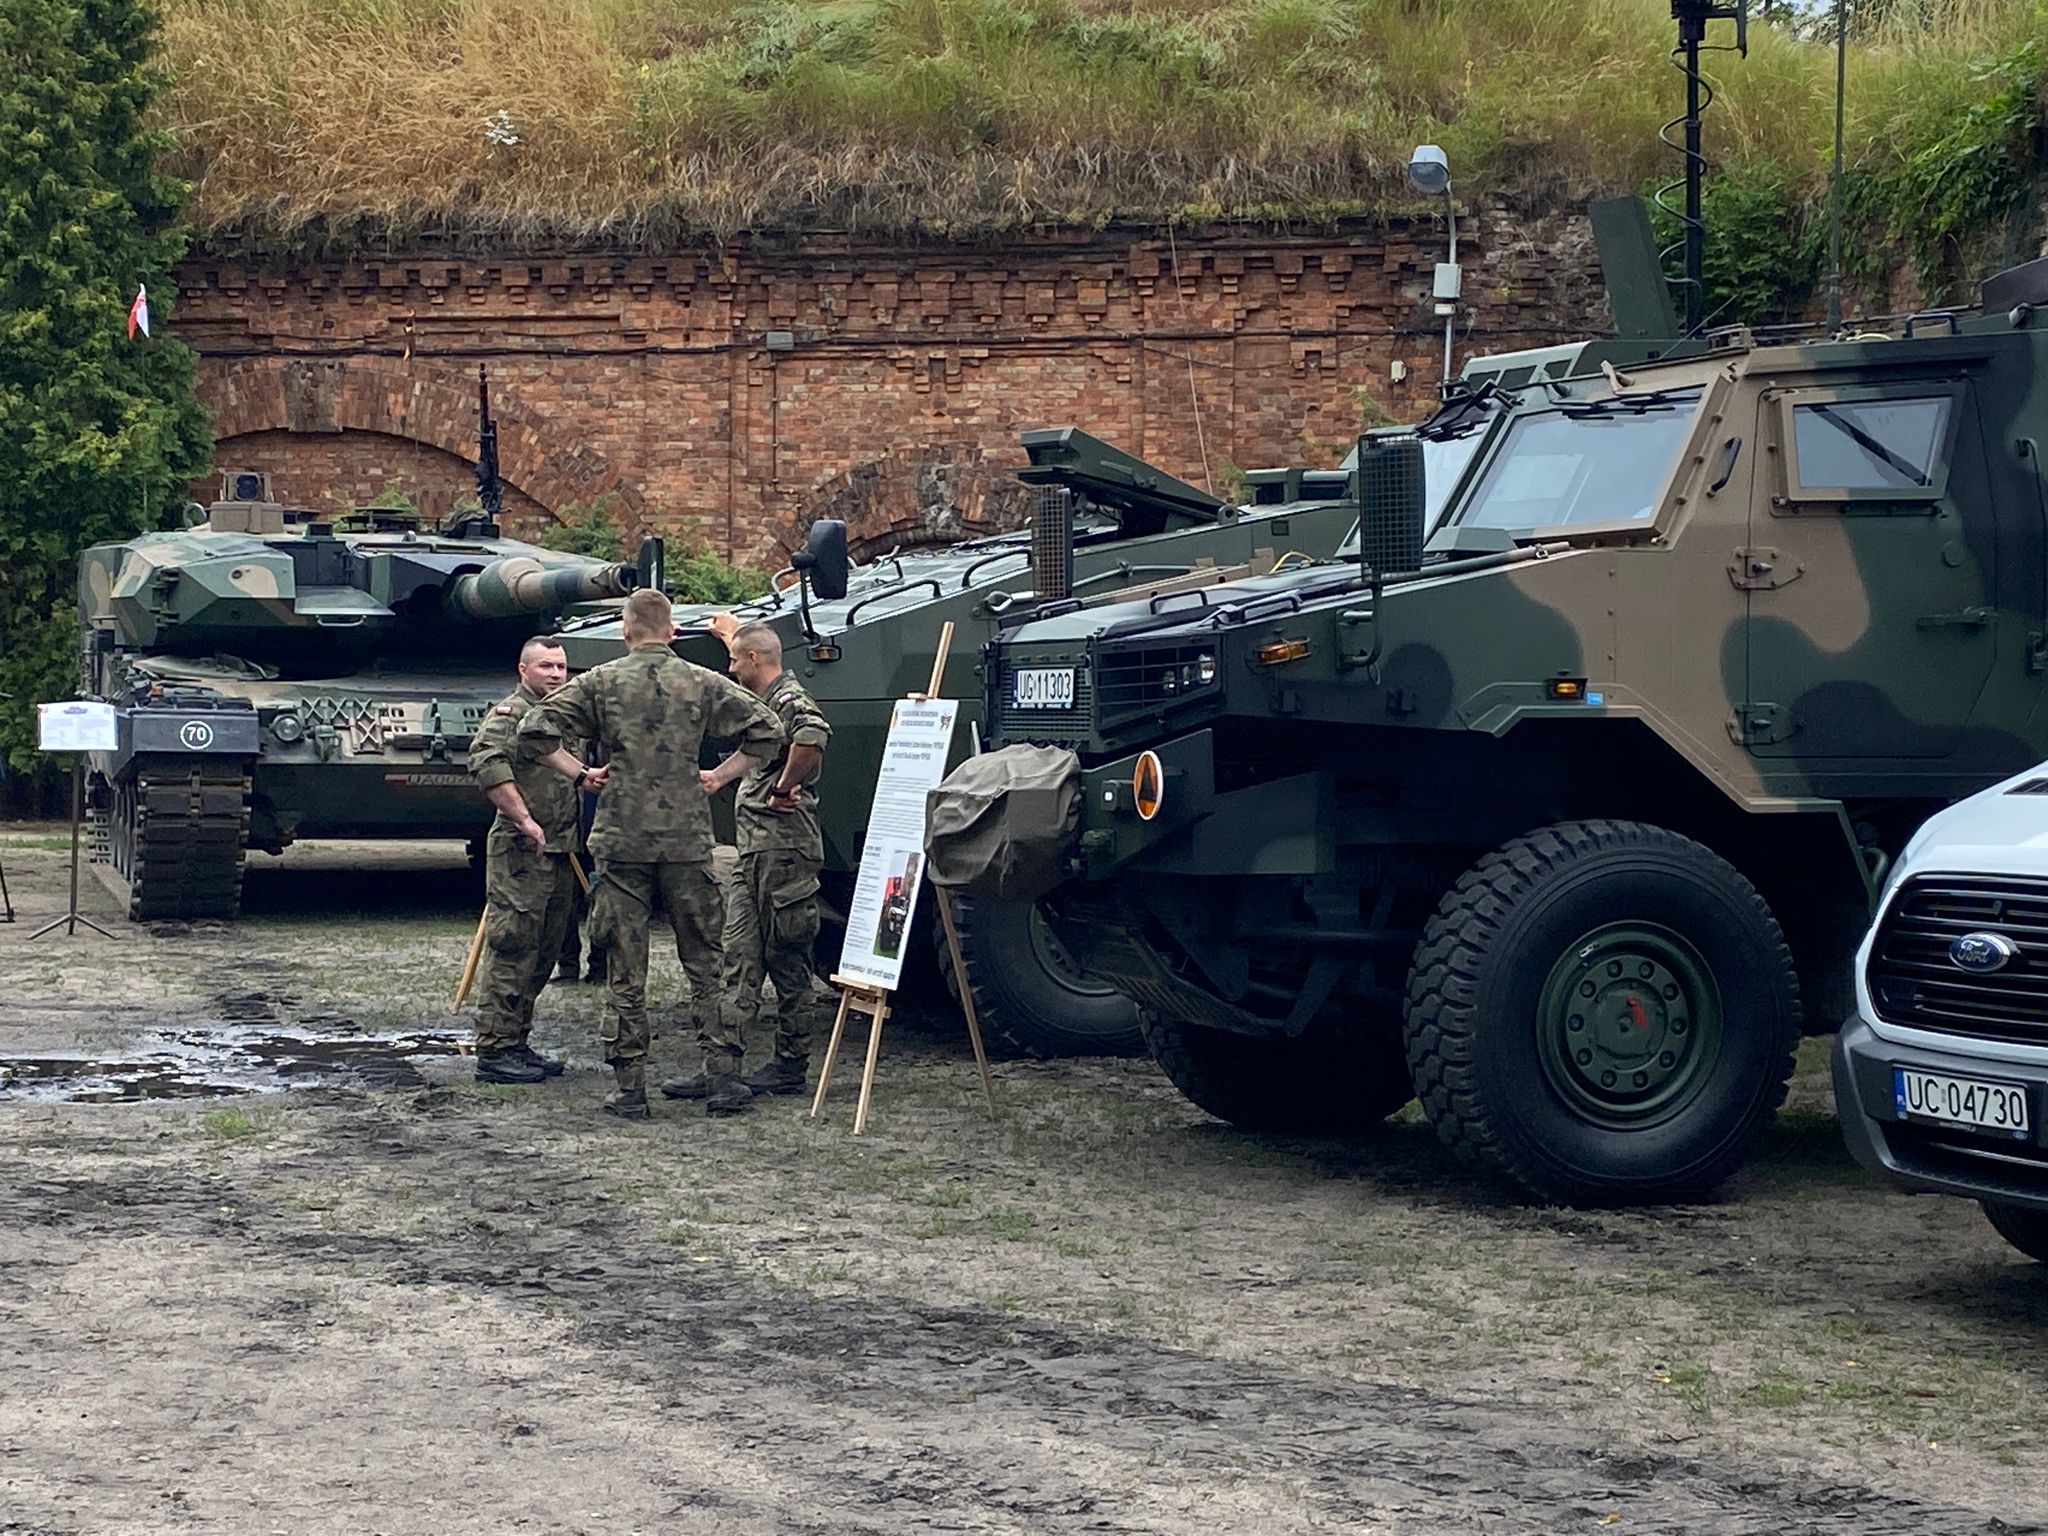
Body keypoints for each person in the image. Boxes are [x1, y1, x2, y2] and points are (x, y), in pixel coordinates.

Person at [517, 587, 784, 1118]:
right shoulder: (702, 681)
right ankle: (723, 1077)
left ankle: (630, 1087)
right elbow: (769, 731)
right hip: (687, 840)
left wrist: (581, 774)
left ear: (625, 631)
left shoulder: (600, 682)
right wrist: (719, 776)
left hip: (622, 841)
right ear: (671, 631)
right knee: (706, 963)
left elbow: (534, 730)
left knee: (625, 967)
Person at [667, 619, 830, 1102]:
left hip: (785, 853)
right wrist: (718, 777)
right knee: (737, 957)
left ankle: (790, 1065)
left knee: (788, 960)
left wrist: (783, 787)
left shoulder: (789, 699)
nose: (731, 667)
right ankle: (723, 1065)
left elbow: (812, 735)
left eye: (736, 659)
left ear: (755, 660)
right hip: (754, 852)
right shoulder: (765, 700)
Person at [465, 636, 585, 1084]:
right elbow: (487, 763)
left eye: (561, 667)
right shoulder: (511, 714)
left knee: (545, 949)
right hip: (521, 849)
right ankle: (494, 1049)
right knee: (513, 946)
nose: (555, 674)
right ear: (523, 670)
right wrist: (524, 819)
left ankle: (517, 1040)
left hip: (559, 850)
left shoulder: (560, 717)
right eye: (545, 666)